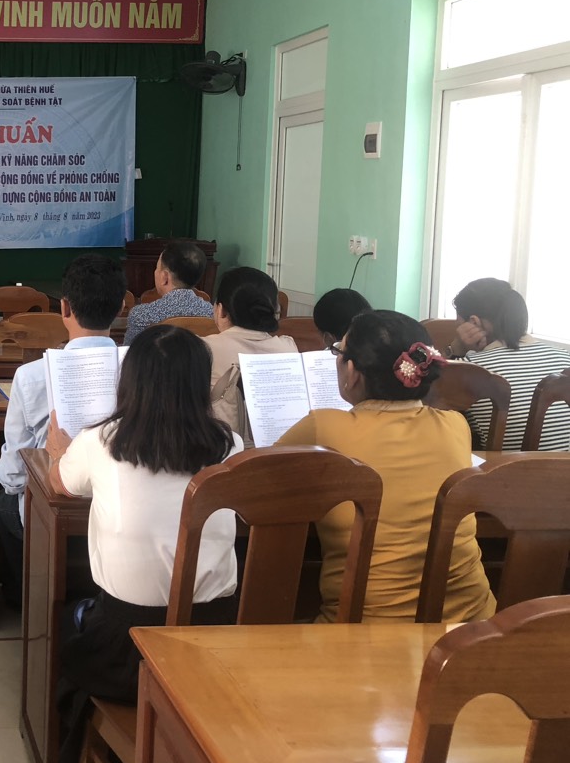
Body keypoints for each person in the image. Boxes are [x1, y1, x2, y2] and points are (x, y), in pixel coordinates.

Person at [45, 324, 241, 763]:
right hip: (214, 647)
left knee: (70, 623)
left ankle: (75, 761)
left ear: (129, 379)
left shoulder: (101, 441)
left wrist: (58, 452)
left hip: (129, 652)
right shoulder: (228, 444)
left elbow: (60, 484)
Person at [278, 309, 495, 623]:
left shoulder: (322, 428)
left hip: (362, 632)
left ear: (352, 371)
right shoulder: (455, 424)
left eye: (339, 352)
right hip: (471, 625)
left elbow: (253, 482)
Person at [0, 254, 125, 607]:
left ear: (64, 308)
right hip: (121, 510)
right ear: (120, 307)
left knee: (4, 502)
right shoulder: (140, 370)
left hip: (54, 505)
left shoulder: (31, 375)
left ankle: (28, 602)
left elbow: (14, 475)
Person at [447, 278, 570, 451]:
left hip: (508, 467)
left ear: (473, 323)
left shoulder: (470, 369)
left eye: (458, 324)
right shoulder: (565, 357)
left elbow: (426, 403)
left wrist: (455, 349)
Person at [206, 266, 296, 442]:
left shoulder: (203, 349)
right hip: (284, 449)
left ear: (220, 310)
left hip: (222, 451)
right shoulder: (288, 347)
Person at [123, 241, 213, 344]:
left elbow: (130, 352)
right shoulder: (212, 314)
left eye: (157, 268)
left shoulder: (141, 316)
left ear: (164, 277)